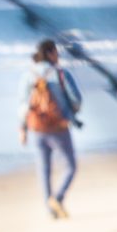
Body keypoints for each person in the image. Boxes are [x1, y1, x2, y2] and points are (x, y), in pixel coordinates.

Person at [18, 39, 82, 219]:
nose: (58, 56)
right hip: (58, 127)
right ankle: (58, 198)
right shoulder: (60, 74)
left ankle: (50, 210)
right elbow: (76, 100)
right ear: (49, 53)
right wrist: (71, 114)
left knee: (43, 169)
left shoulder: (27, 75)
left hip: (36, 127)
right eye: (56, 52)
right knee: (70, 166)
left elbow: (23, 105)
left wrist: (22, 128)